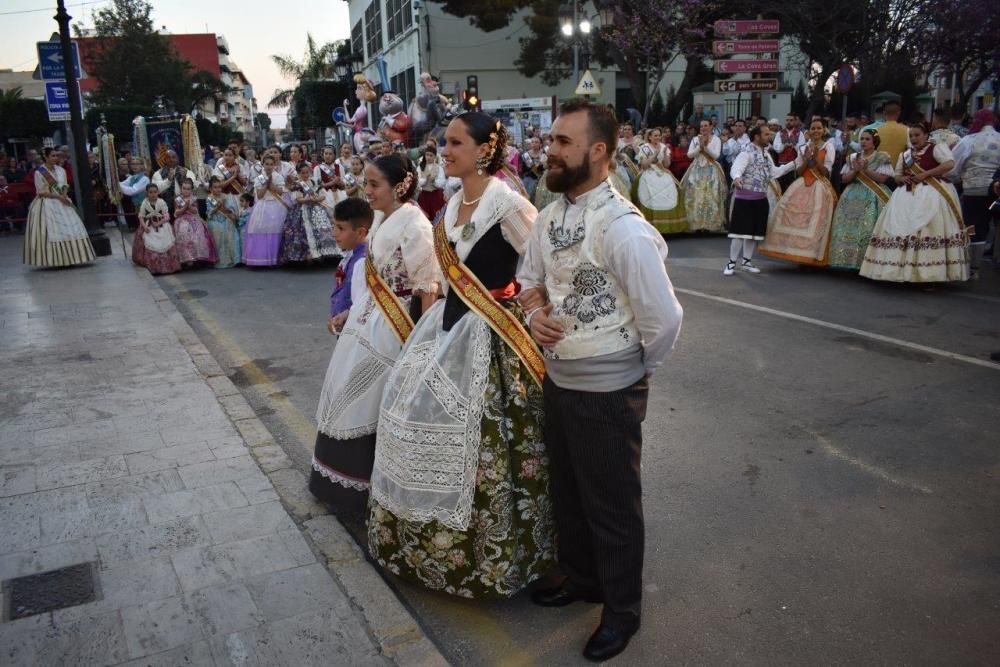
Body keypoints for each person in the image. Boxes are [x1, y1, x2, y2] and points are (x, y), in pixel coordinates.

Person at [516, 99, 683, 662]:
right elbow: (529, 282)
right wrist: (533, 312)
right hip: (559, 381)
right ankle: (583, 580)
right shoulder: (549, 215)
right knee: (568, 492)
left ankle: (622, 612)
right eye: (552, 140)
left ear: (599, 152)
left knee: (612, 505)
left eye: (564, 142)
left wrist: (636, 373)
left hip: (610, 389)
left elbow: (665, 318)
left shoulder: (623, 228)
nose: (551, 150)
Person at [368, 111, 554, 598]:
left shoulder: (509, 205)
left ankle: (491, 558)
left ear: (483, 150)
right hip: (445, 326)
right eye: (443, 143)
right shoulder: (450, 206)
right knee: (407, 413)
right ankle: (422, 547)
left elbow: (542, 268)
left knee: (489, 445)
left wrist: (532, 309)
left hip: (493, 331)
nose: (443, 151)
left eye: (453, 143)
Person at [311, 154, 439, 516]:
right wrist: (350, 311)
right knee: (345, 388)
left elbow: (426, 286)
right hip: (368, 318)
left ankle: (369, 487)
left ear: (400, 185)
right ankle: (339, 480)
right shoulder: (382, 218)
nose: (367, 192)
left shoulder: (416, 224)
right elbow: (375, 278)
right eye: (365, 183)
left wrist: (422, 344)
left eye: (374, 185)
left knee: (368, 395)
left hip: (396, 325)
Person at [860, 122, 969, 283]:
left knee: (929, 229)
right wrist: (901, 178)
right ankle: (896, 272)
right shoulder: (905, 155)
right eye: (911, 136)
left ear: (926, 135)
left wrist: (926, 174)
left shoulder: (936, 148)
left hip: (932, 194)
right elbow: (896, 175)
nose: (914, 138)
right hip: (905, 195)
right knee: (900, 228)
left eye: (917, 135)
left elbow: (949, 164)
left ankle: (929, 275)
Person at [759, 117, 838, 265]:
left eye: (819, 128)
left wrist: (816, 159)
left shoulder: (828, 146)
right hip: (802, 184)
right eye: (813, 128)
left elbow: (826, 172)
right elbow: (800, 171)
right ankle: (798, 255)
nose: (816, 131)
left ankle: (812, 256)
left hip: (820, 186)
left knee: (815, 221)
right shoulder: (803, 147)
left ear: (824, 130)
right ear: (808, 131)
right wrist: (807, 159)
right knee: (793, 216)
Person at [724, 125, 797, 275]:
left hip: (760, 198)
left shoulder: (766, 154)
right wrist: (737, 178)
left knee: (753, 233)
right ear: (757, 137)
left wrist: (796, 163)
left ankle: (746, 262)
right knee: (739, 232)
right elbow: (736, 167)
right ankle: (731, 263)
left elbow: (775, 172)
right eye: (766, 134)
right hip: (745, 198)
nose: (769, 136)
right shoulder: (747, 152)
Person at [828, 129, 894, 270]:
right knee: (848, 227)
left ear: (874, 142)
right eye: (862, 139)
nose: (863, 141)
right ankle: (846, 259)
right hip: (852, 194)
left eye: (867, 139)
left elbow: (883, 178)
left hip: (873, 196)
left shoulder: (882, 157)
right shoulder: (853, 157)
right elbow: (844, 179)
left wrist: (865, 170)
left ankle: (867, 263)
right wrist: (855, 170)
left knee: (868, 226)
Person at [23, 148, 96, 268]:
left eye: (57, 155)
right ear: (45, 157)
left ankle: (73, 257)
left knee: (71, 229)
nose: (56, 158)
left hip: (62, 201)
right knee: (52, 231)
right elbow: (41, 192)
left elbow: (65, 185)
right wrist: (58, 196)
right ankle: (56, 260)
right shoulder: (39, 172)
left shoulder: (61, 170)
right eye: (53, 156)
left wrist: (64, 195)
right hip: (47, 203)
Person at [949, 109, 1000, 275]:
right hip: (996, 194)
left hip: (974, 192)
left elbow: (952, 167)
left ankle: (973, 267)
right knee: (995, 224)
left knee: (972, 226)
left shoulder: (969, 140)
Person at [280, 162, 341, 264]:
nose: (305, 175)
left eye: (307, 172)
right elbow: (298, 199)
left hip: (316, 208)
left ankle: (323, 253)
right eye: (302, 173)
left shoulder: (314, 181)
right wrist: (307, 199)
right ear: (298, 173)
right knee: (303, 231)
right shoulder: (297, 185)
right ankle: (306, 256)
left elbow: (322, 195)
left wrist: (317, 198)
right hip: (302, 209)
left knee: (324, 228)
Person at [327, 197, 372, 335]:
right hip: (344, 326)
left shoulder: (362, 263)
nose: (334, 233)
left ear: (360, 232)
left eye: (340, 228)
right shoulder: (350, 256)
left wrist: (344, 317)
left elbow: (361, 306)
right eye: (334, 226)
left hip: (355, 333)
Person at [632, 128, 686, 234]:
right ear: (650, 137)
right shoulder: (645, 148)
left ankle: (668, 225)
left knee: (676, 189)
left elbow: (667, 165)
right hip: (649, 173)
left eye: (658, 135)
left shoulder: (664, 147)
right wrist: (654, 155)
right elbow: (644, 165)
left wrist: (665, 155)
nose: (657, 137)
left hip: (663, 173)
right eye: (655, 135)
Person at [682, 119, 727, 233]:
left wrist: (705, 148)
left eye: (706, 126)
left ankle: (710, 224)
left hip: (711, 170)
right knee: (696, 196)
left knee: (710, 196)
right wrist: (699, 147)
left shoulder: (716, 139)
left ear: (711, 127)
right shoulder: (695, 139)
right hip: (696, 170)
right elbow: (689, 155)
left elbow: (716, 156)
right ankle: (696, 224)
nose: (703, 128)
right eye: (701, 126)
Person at [244, 155, 288, 267]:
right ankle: (261, 258)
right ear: (263, 165)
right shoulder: (259, 178)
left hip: (276, 206)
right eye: (266, 164)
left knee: (275, 230)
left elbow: (281, 192)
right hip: (262, 206)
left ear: (274, 165)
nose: (269, 167)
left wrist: (271, 185)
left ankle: (275, 258)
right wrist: (266, 185)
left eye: (271, 164)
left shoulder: (278, 177)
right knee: (260, 230)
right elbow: (259, 195)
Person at [135, 182, 179, 275]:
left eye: (155, 192)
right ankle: (155, 267)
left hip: (162, 225)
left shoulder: (161, 202)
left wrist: (159, 223)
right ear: (147, 193)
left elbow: (166, 216)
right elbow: (141, 216)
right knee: (151, 244)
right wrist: (145, 226)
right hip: (149, 226)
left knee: (166, 243)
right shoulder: (144, 203)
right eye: (150, 192)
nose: (153, 194)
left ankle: (168, 266)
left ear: (158, 192)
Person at [172, 178, 218, 267]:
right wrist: (183, 208)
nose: (185, 191)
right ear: (181, 188)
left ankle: (198, 258)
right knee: (184, 234)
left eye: (188, 189)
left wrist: (188, 206)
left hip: (193, 218)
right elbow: (176, 212)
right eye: (184, 188)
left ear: (191, 190)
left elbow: (195, 211)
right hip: (181, 220)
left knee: (198, 236)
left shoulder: (193, 198)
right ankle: (187, 259)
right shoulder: (178, 199)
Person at [206, 176, 242, 268]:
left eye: (219, 187)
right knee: (217, 228)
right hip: (214, 219)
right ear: (210, 188)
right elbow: (209, 213)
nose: (218, 189)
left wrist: (231, 214)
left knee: (230, 226)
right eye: (215, 187)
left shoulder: (226, 196)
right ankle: (222, 260)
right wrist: (217, 207)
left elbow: (231, 210)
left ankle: (235, 259)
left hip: (226, 218)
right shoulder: (209, 198)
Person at [151, 150, 195, 216]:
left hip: (184, 203)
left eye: (173, 157)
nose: (171, 159)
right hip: (166, 205)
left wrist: (184, 178)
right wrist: (168, 180)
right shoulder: (158, 173)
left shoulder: (186, 171)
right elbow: (156, 190)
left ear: (178, 159)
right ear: (165, 160)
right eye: (168, 158)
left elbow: (193, 186)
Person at [873, 101, 908, 167]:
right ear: (899, 113)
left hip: (880, 170)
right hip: (899, 170)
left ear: (884, 113)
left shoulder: (875, 131)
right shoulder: (907, 130)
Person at [119, 157, 150, 232]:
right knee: (140, 226)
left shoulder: (144, 179)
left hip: (144, 206)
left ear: (142, 166)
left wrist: (117, 186)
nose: (134, 166)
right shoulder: (132, 177)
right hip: (136, 205)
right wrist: (114, 182)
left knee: (146, 226)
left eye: (137, 164)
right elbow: (123, 184)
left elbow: (133, 190)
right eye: (133, 164)